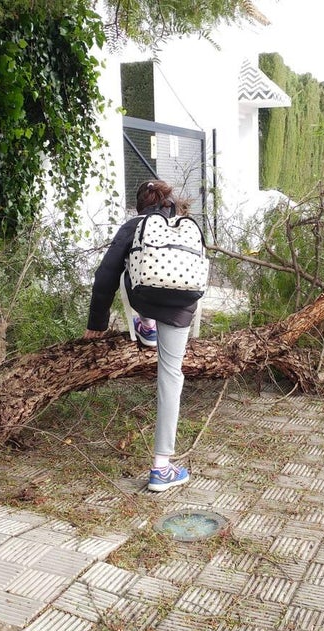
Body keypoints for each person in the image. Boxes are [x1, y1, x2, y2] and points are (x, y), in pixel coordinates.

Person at [84, 179, 198, 492]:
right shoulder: (186, 224)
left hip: (145, 299)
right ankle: (162, 468)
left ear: (140, 205)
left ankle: (146, 325)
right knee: (170, 376)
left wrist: (97, 322)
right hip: (182, 306)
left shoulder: (134, 225)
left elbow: (105, 274)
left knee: (128, 270)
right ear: (169, 202)